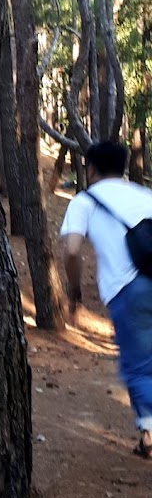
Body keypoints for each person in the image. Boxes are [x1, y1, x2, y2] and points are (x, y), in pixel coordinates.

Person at [60, 139, 152, 459]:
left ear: (91, 169)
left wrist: (74, 292)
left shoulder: (84, 202)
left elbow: (72, 251)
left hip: (129, 290)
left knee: (138, 367)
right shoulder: (145, 195)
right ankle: (148, 432)